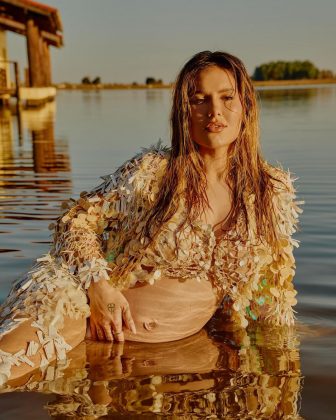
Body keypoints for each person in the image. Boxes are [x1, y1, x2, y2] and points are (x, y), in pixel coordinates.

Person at [0, 50, 303, 385]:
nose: (214, 111)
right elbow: (76, 220)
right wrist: (98, 288)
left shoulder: (271, 190)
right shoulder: (154, 171)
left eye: (227, 97)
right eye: (199, 99)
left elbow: (269, 293)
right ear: (183, 111)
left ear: (246, 105)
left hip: (162, 362)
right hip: (79, 314)